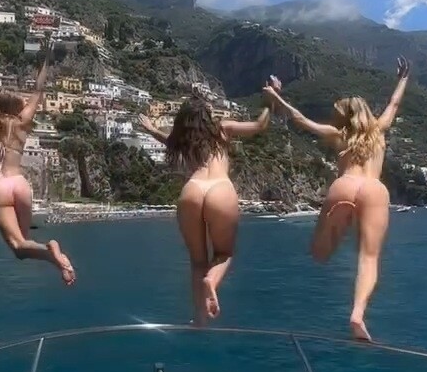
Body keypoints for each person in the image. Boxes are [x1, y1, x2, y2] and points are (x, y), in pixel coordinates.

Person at [263, 60, 410, 342]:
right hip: (374, 189)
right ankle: (357, 314)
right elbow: (393, 103)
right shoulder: (380, 129)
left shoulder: (339, 135)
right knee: (369, 257)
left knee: (319, 253)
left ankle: (338, 221)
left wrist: (275, 96)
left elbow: (300, 119)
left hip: (344, 185)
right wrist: (403, 78)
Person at [138, 90, 273, 324]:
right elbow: (260, 125)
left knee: (197, 261)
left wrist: (150, 129)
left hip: (192, 190)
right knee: (224, 253)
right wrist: (271, 99)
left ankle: (199, 317)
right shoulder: (222, 128)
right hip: (220, 189)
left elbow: (167, 140)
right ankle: (211, 280)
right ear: (206, 115)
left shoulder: (184, 140)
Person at [0, 29, 75, 285]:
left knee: (19, 248)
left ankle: (52, 253)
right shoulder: (23, 122)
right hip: (20, 185)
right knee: (23, 245)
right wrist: (46, 59)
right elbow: (39, 89)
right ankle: (53, 256)